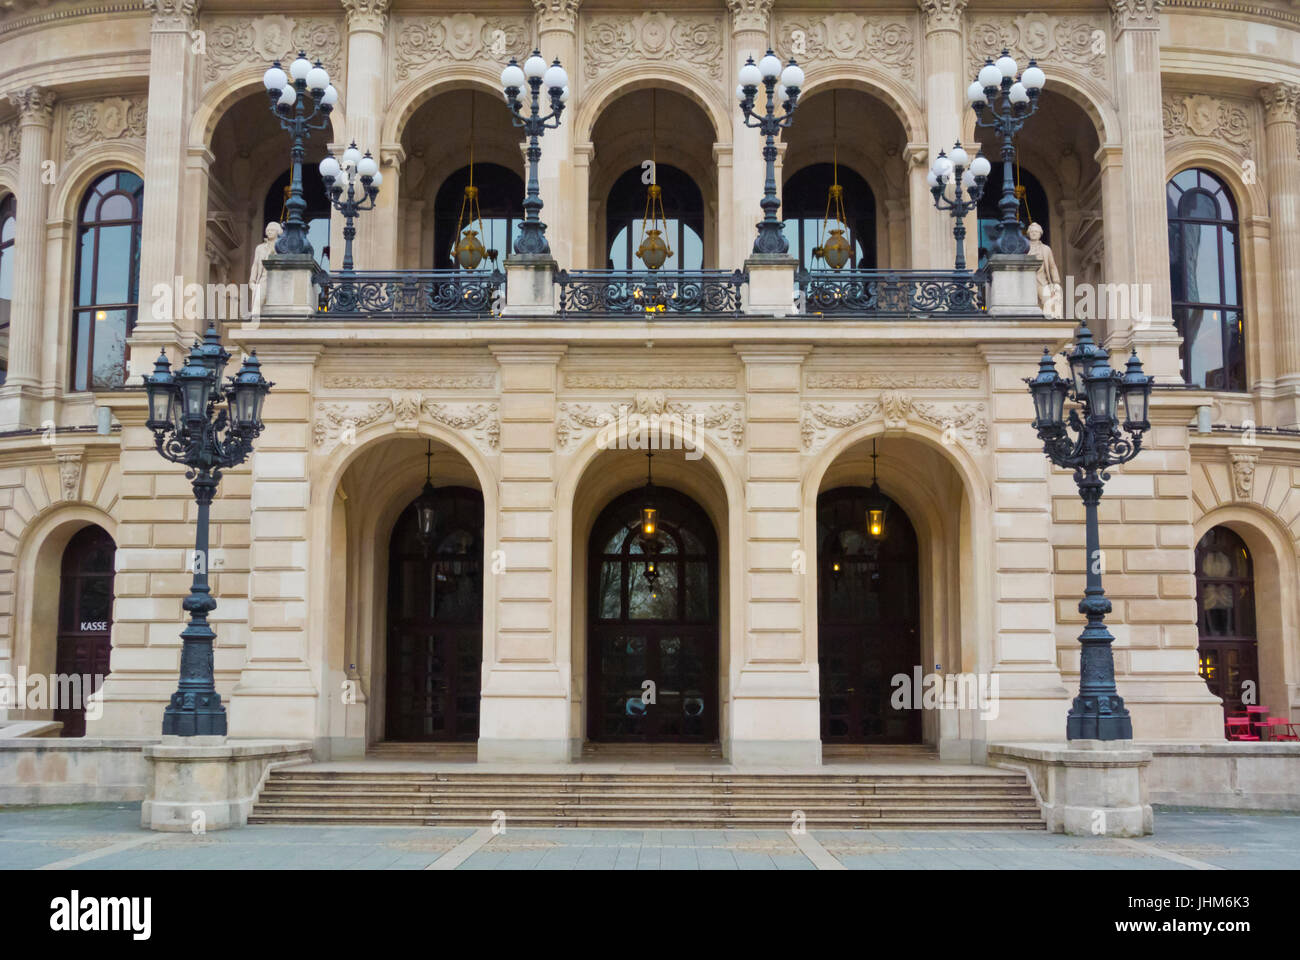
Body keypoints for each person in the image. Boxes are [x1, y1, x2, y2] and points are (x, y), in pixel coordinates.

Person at [1026, 222, 1062, 318]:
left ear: (1040, 233)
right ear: (1029, 233)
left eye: (1036, 231)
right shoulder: (1024, 248)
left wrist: (1056, 282)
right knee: (1029, 306)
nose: (1034, 233)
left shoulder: (1046, 249)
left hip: (1042, 281)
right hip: (1028, 281)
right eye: (1032, 231)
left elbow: (1052, 266)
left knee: (1048, 302)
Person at [249, 221, 283, 318]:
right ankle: (255, 324)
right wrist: (252, 281)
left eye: (272, 230)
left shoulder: (281, 247)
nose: (269, 232)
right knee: (257, 303)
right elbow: (255, 265)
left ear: (277, 232)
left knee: (275, 306)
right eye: (268, 230)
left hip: (277, 280)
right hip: (263, 279)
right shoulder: (260, 248)